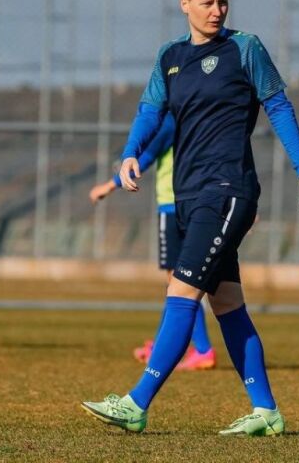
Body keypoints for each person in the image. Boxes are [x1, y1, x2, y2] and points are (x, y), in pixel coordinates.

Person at [81, 0, 299, 435]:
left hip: (228, 191)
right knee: (228, 304)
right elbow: (149, 109)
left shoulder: (244, 48)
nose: (217, 10)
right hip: (189, 195)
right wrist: (129, 153)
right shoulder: (170, 57)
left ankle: (136, 403)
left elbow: (278, 105)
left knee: (181, 292)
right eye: (208, 2)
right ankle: (266, 411)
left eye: (223, 2)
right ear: (185, 4)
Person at [88, 113, 216, 371]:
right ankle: (161, 346)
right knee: (181, 285)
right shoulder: (201, 117)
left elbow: (144, 157)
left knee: (179, 285)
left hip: (173, 207)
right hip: (200, 205)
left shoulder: (171, 119)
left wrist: (108, 186)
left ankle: (203, 349)